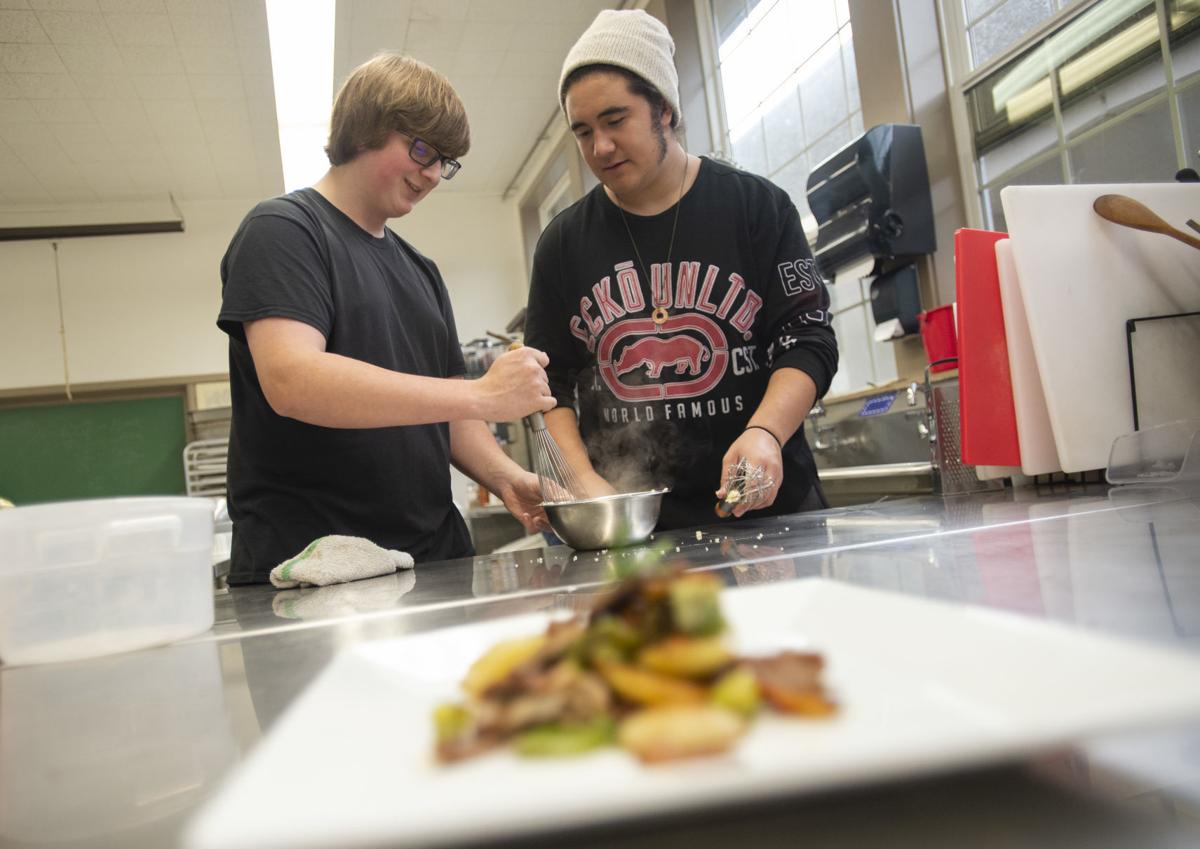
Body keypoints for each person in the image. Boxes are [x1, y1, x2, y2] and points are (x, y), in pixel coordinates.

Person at [218, 54, 555, 585]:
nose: (432, 173)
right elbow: (292, 380)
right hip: (315, 568)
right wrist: (481, 394)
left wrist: (509, 477)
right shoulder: (284, 230)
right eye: (421, 149)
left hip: (433, 558)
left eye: (445, 161)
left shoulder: (421, 271)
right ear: (364, 130)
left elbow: (449, 416)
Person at [524, 10, 838, 531]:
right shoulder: (561, 243)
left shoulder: (757, 208)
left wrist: (766, 432)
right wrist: (584, 484)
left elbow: (807, 342)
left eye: (615, 120)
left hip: (767, 514)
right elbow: (549, 386)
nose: (600, 147)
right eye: (583, 131)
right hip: (633, 531)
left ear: (664, 110)